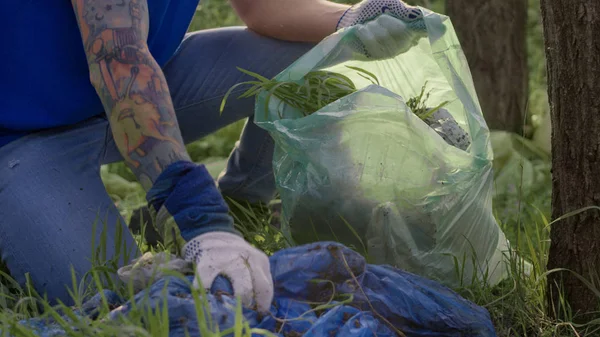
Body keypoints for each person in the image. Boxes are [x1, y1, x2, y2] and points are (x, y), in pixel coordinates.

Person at [0, 0, 426, 311]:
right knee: (120, 298)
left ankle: (243, 202)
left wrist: (349, 19)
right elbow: (117, 60)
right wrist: (202, 220)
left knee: (310, 63)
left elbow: (261, 8)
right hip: (22, 134)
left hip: (154, 78)